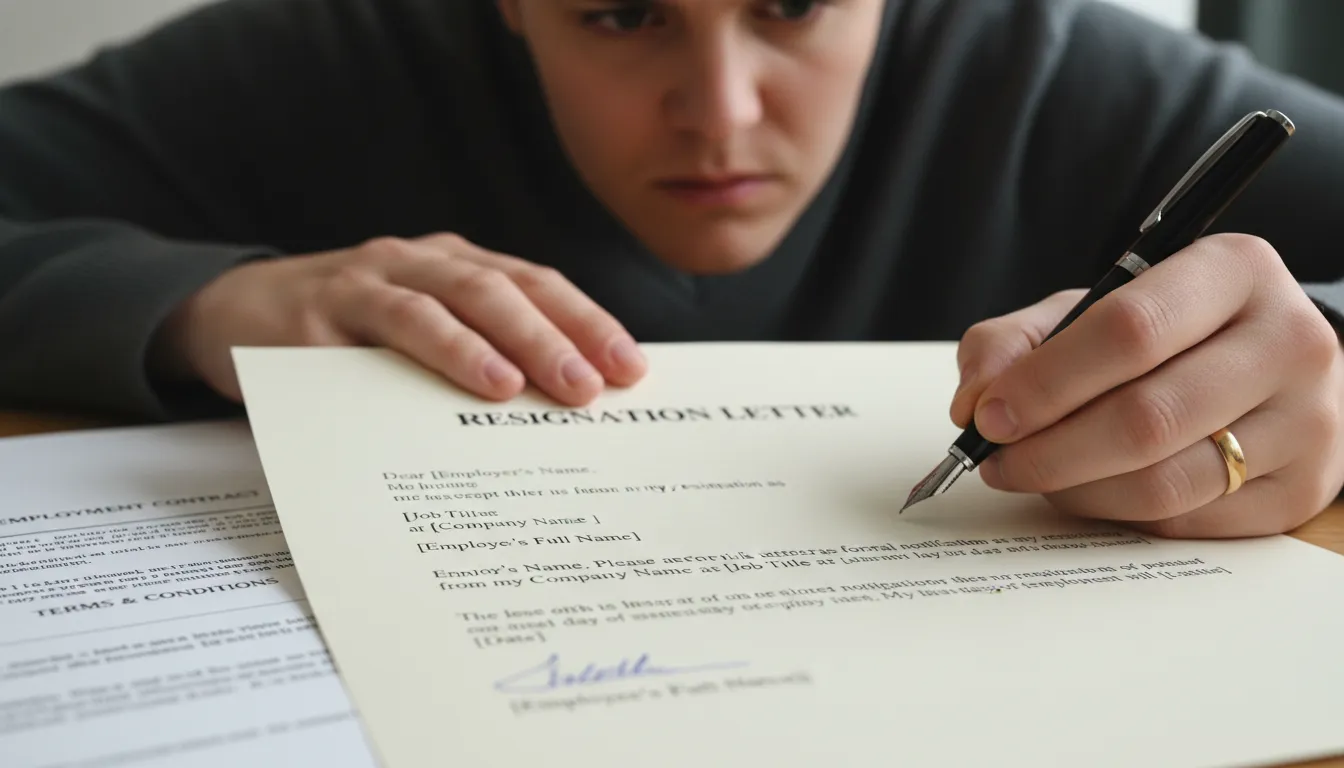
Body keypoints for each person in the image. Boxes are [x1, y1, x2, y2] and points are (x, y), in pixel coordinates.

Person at [1, 0, 1343, 539]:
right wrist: (196, 304)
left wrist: (1314, 365)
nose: (721, 112)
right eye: (622, 12)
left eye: (794, 5)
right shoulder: (337, 54)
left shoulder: (1043, 65)